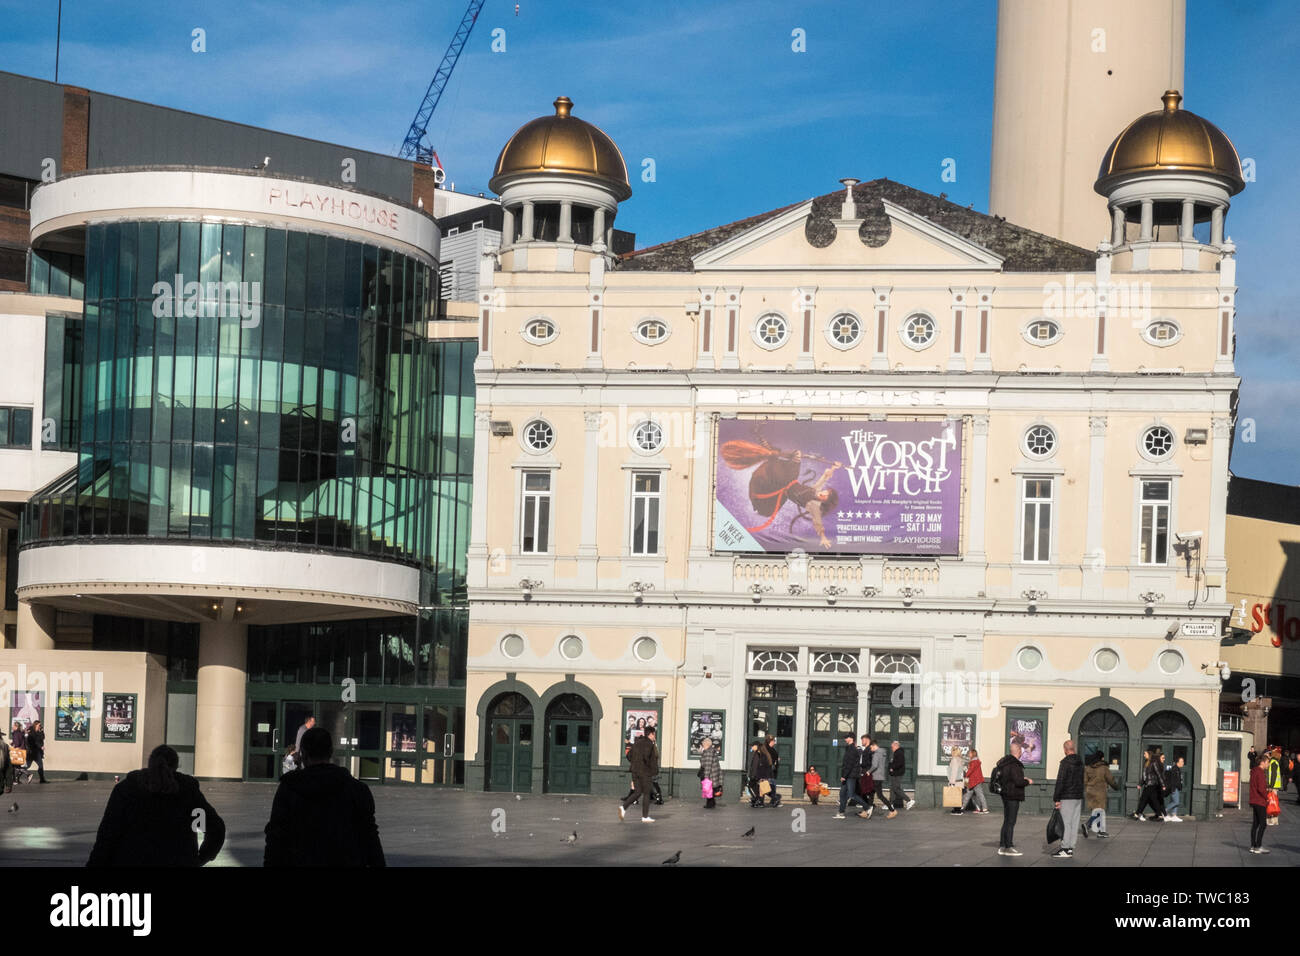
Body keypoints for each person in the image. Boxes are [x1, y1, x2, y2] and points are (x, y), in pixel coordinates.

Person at [264, 727, 384, 866]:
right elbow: (370, 837)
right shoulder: (357, 790)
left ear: (303, 754)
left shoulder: (289, 788)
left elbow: (276, 837)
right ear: (331, 753)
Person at [88, 745, 226, 866]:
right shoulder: (187, 794)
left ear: (149, 763)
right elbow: (214, 828)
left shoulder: (127, 790)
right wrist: (199, 859)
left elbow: (108, 835)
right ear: (176, 766)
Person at [995, 741, 1033, 856]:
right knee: (1011, 821)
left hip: (1005, 794)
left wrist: (1021, 778)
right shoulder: (1015, 764)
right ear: (1019, 752)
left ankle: (1002, 845)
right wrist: (1028, 781)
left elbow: (1009, 778)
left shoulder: (1005, 763)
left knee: (1006, 820)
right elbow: (1018, 781)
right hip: (1013, 795)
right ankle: (1009, 846)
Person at [1051, 739, 1085, 858]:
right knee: (1074, 823)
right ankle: (1070, 848)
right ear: (1073, 748)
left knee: (1066, 823)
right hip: (1078, 796)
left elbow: (1060, 781)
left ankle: (1065, 848)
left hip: (1067, 796)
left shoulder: (1065, 763)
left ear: (1065, 749)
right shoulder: (1080, 762)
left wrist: (1057, 798)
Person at [620, 726, 660, 822]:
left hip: (634, 771)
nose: (655, 736)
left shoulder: (637, 742)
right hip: (645, 772)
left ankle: (623, 807)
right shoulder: (650, 744)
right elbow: (648, 758)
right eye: (654, 734)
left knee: (638, 792)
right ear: (650, 734)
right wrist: (652, 769)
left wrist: (635, 763)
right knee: (646, 793)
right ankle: (645, 817)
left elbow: (629, 755)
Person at [834, 732, 869, 819]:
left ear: (851, 738)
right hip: (848, 774)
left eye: (847, 737)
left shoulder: (852, 749)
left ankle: (867, 807)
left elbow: (849, 764)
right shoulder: (849, 748)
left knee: (851, 794)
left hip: (851, 775)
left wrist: (844, 776)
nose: (845, 739)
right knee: (842, 793)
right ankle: (841, 812)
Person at [1084, 751, 1118, 837]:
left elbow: (1084, 781)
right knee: (1100, 811)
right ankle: (1088, 825)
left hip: (1090, 791)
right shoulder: (1104, 768)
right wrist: (1116, 786)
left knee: (1096, 811)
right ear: (1101, 758)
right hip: (1100, 792)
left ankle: (1100, 831)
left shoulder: (1088, 767)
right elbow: (1110, 779)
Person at [1132, 748, 1166, 821]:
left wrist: (1163, 785)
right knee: (1154, 800)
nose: (1144, 755)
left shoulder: (1153, 763)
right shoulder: (1146, 763)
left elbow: (1158, 774)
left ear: (1149, 754)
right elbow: (1144, 776)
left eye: (1145, 754)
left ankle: (1137, 814)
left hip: (1152, 784)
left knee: (1143, 799)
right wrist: (1140, 784)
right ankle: (1160, 815)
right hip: (1148, 784)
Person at [1248, 753, 1269, 854]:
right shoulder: (1260, 773)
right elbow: (1261, 788)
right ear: (1262, 762)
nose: (1268, 765)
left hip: (1253, 800)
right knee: (1263, 824)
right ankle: (1258, 846)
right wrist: (1267, 797)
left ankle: (1253, 845)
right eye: (1267, 762)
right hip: (1260, 801)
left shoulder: (1254, 771)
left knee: (1255, 824)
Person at [868, 739, 895, 817]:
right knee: (872, 794)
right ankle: (868, 810)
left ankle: (892, 810)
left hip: (876, 776)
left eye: (871, 747)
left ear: (874, 745)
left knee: (879, 795)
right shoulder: (882, 753)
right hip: (880, 776)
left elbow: (875, 765)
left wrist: (868, 771)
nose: (871, 749)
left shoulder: (876, 754)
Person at [961, 748, 989, 813]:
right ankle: (976, 808)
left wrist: (966, 773)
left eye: (969, 753)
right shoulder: (974, 761)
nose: (968, 754)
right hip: (973, 781)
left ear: (973, 754)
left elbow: (970, 771)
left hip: (976, 781)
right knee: (971, 795)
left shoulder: (974, 762)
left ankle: (985, 808)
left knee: (979, 794)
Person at [889, 741, 914, 811]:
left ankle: (909, 800)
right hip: (896, 773)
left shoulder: (899, 753)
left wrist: (892, 767)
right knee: (893, 788)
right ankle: (890, 804)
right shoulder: (897, 752)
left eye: (892, 747)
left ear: (896, 746)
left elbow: (899, 763)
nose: (891, 748)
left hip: (897, 773)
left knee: (896, 788)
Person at [698, 736, 721, 810]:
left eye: (703, 744)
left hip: (710, 774)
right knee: (711, 789)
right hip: (713, 774)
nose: (702, 745)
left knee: (708, 789)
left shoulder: (708, 752)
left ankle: (710, 804)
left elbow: (708, 765)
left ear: (707, 744)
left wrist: (706, 777)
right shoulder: (710, 751)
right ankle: (711, 803)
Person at [1164, 755, 1186, 822]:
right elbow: (1172, 780)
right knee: (1176, 802)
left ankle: (1174, 816)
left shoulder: (1178, 769)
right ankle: (1164, 811)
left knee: (1175, 802)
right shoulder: (1174, 769)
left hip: (1177, 788)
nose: (1183, 763)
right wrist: (1173, 789)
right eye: (1181, 761)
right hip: (1174, 788)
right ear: (1177, 762)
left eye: (1183, 761)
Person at [947, 748, 968, 815]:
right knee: (959, 795)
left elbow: (954, 771)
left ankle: (957, 810)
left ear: (954, 752)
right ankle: (957, 809)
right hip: (960, 780)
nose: (951, 752)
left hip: (956, 780)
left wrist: (952, 782)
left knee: (955, 795)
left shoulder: (954, 759)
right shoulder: (960, 759)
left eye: (952, 751)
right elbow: (964, 769)